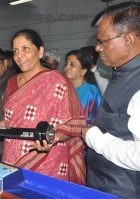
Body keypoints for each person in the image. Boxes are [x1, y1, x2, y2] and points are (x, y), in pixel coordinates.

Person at [0, 29, 86, 185]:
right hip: (12, 158)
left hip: (48, 158)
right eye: (15, 51)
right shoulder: (12, 82)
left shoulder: (57, 81)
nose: (19, 56)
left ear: (40, 51)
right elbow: (10, 122)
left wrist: (52, 138)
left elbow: (74, 124)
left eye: (25, 49)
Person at [81, 2, 140, 198]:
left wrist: (94, 138)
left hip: (123, 190)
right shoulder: (123, 72)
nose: (97, 48)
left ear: (129, 40)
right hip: (107, 186)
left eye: (103, 42)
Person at [64, 49, 102, 124]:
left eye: (72, 65)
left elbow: (99, 120)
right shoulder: (61, 89)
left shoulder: (92, 91)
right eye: (66, 64)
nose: (66, 68)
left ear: (83, 71)